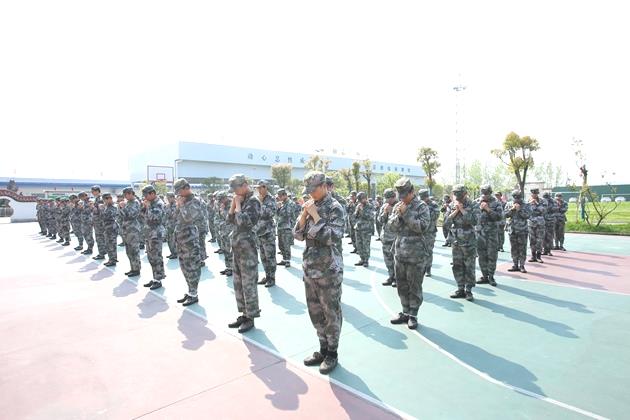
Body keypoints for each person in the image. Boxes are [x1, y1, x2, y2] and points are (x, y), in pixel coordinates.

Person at [293, 171, 344, 374]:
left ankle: (332, 353)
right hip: (310, 267)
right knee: (315, 312)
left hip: (328, 269)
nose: (310, 193)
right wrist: (304, 215)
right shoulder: (310, 205)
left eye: (313, 189)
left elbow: (333, 237)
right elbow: (297, 235)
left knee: (331, 313)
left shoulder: (335, 207)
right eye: (309, 190)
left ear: (324, 186)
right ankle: (323, 348)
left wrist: (315, 216)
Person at [387, 177, 430, 329]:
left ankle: (413, 315)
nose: (402, 198)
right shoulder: (398, 205)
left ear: (412, 192)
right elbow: (391, 227)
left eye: (405, 195)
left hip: (416, 254)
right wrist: (399, 215)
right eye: (400, 195)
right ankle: (405, 312)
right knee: (401, 285)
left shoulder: (421, 206)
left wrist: (406, 214)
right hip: (400, 252)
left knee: (415, 286)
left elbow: (422, 227)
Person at [227, 174, 262, 333]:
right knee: (238, 284)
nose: (234, 191)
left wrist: (238, 205)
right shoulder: (239, 200)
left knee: (248, 284)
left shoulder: (253, 201)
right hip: (237, 247)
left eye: (236, 187)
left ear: (245, 185)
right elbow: (229, 220)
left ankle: (251, 317)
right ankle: (244, 313)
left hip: (247, 249)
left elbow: (244, 222)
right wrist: (234, 205)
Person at [444, 184, 480, 301]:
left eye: (459, 194)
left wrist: (462, 210)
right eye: (455, 194)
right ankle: (460, 288)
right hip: (456, 240)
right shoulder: (452, 205)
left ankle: (468, 290)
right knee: (457, 265)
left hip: (469, 240)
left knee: (469, 266)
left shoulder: (473, 204)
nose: (457, 196)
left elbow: (475, 221)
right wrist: (455, 211)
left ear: (465, 194)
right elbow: (446, 222)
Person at [173, 178, 204, 307]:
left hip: (190, 240)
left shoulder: (195, 201)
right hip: (181, 239)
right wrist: (178, 206)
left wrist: (181, 205)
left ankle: (194, 294)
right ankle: (190, 290)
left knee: (192, 267)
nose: (178, 194)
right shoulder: (183, 200)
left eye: (179, 191)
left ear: (186, 188)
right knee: (184, 267)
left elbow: (188, 218)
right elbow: (174, 217)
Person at [475, 185, 503, 287]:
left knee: (492, 256)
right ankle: (484, 276)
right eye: (483, 193)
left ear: (490, 193)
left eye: (486, 193)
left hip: (491, 233)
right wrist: (479, 208)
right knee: (481, 255)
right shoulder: (477, 202)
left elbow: (499, 217)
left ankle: (491, 276)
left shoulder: (496, 203)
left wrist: (488, 209)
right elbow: (472, 217)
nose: (484, 195)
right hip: (480, 234)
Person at [141, 185, 166, 290]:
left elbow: (155, 218)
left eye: (146, 195)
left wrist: (148, 207)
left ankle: (158, 279)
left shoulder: (158, 203)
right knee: (151, 257)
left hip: (156, 234)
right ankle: (155, 277)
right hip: (149, 233)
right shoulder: (150, 203)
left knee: (156, 257)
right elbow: (143, 216)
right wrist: (145, 207)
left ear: (152, 193)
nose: (145, 197)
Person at [254, 180, 278, 288]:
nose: (258, 190)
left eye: (260, 187)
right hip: (259, 232)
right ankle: (267, 276)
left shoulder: (271, 199)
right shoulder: (258, 199)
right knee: (263, 257)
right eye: (257, 188)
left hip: (268, 232)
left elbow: (269, 213)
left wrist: (260, 203)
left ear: (265, 187)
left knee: (270, 257)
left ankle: (272, 278)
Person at [505, 189, 531, 273]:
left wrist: (519, 210)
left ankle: (522, 265)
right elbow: (505, 215)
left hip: (522, 230)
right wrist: (512, 210)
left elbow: (528, 216)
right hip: (512, 230)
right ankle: (515, 265)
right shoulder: (509, 204)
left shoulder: (526, 204)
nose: (517, 199)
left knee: (522, 248)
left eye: (518, 197)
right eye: (515, 197)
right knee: (514, 248)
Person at [119, 187, 142, 277]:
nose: (125, 196)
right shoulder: (128, 203)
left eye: (127, 194)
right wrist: (121, 208)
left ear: (131, 194)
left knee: (134, 251)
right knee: (129, 251)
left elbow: (132, 215)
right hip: (127, 230)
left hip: (133, 230)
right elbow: (123, 216)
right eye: (125, 195)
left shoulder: (135, 202)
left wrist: (123, 207)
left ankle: (136, 269)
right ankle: (133, 268)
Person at [378, 188, 398, 287]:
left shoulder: (399, 206)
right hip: (386, 237)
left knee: (396, 260)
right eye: (386, 198)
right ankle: (391, 276)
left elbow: (399, 222)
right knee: (387, 259)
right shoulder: (384, 206)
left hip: (395, 238)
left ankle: (397, 279)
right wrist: (385, 212)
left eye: (389, 198)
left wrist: (391, 213)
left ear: (394, 197)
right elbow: (380, 220)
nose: (387, 200)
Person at [420, 190, 439, 277]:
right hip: (419, 231)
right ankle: (421, 268)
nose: (424, 199)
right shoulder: (419, 204)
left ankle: (428, 269)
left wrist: (424, 212)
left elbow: (435, 216)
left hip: (430, 232)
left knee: (428, 251)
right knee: (419, 251)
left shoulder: (434, 205)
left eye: (425, 197)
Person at [353, 192, 374, 267]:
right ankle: (362, 259)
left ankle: (366, 261)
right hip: (358, 228)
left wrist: (362, 210)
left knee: (366, 245)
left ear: (365, 198)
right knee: (359, 245)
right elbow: (355, 216)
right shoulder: (358, 206)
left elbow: (370, 217)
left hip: (366, 229)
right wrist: (357, 211)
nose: (360, 201)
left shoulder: (370, 206)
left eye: (361, 200)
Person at [275, 188, 294, 268]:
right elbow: (277, 215)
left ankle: (288, 260)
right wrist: (278, 208)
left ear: (284, 195)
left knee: (286, 245)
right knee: (281, 245)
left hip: (287, 227)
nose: (279, 198)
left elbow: (287, 214)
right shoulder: (282, 203)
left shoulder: (290, 203)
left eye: (280, 196)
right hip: (280, 226)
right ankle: (284, 259)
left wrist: (279, 208)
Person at [528, 188, 547, 263]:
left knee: (539, 240)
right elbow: (525, 210)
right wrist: (529, 204)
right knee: (532, 240)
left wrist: (537, 203)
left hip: (540, 223)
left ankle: (539, 256)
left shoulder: (543, 201)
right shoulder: (528, 201)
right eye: (533, 193)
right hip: (531, 223)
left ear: (537, 194)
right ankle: (533, 256)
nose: (534, 195)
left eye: (535, 193)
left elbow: (544, 210)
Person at [101, 193, 119, 267]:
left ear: (109, 199)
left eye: (105, 200)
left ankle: (113, 260)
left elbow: (111, 217)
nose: (104, 201)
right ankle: (111, 259)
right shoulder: (107, 207)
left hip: (111, 228)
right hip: (107, 228)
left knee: (111, 245)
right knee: (108, 245)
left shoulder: (113, 207)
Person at [164, 192, 178, 259]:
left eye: (169, 198)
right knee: (169, 240)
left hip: (174, 226)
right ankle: (172, 252)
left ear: (173, 197)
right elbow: (165, 215)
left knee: (174, 240)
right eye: (167, 198)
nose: (168, 199)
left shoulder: (176, 205)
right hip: (168, 225)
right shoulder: (167, 205)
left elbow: (173, 215)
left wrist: (168, 208)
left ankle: (175, 253)